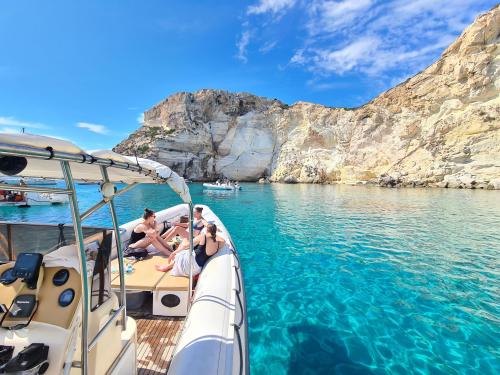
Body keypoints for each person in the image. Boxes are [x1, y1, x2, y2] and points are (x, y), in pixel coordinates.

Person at [156, 223, 225, 276]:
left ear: (206, 230)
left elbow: (185, 246)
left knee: (184, 246)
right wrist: (215, 234)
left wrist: (174, 253)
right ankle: (167, 267)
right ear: (215, 232)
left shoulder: (203, 236)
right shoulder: (220, 243)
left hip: (189, 265)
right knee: (187, 252)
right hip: (197, 268)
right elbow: (222, 239)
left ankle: (166, 266)